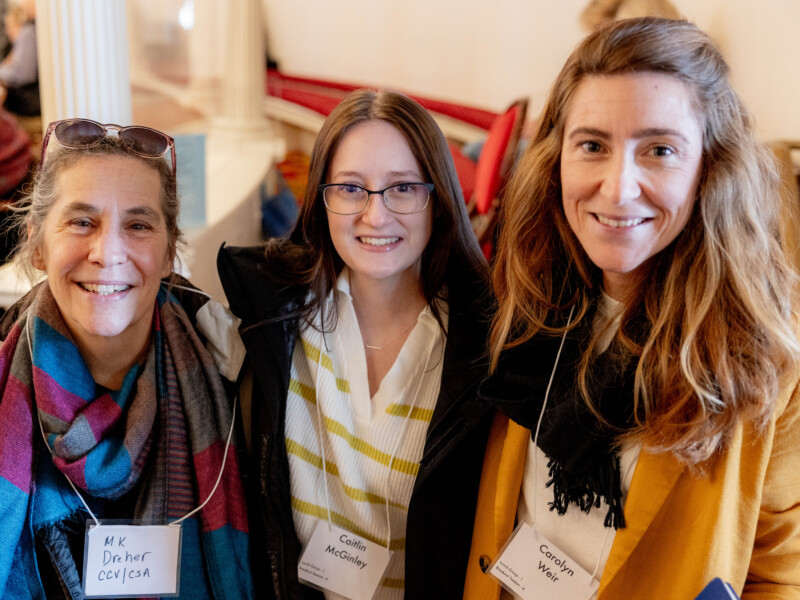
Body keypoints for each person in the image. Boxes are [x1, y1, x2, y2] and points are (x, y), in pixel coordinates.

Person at [464, 17, 800, 600]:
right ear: (557, 157)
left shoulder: (770, 361)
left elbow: (781, 573)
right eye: (592, 145)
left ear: (709, 169)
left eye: (660, 150)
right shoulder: (525, 305)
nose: (618, 188)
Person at [218, 88, 493, 598]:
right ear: (321, 200)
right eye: (350, 188)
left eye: (403, 188)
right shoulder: (273, 322)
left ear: (438, 199)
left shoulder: (487, 349)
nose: (375, 215)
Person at [0, 119, 253, 599]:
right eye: (81, 221)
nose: (108, 251)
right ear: (37, 244)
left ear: (167, 253)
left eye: (138, 225)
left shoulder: (239, 380)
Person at [0, 0, 38, 116]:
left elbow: (24, 74)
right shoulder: (20, 40)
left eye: (9, 27)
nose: (7, 31)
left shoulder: (26, 34)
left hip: (29, 100)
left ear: (18, 24)